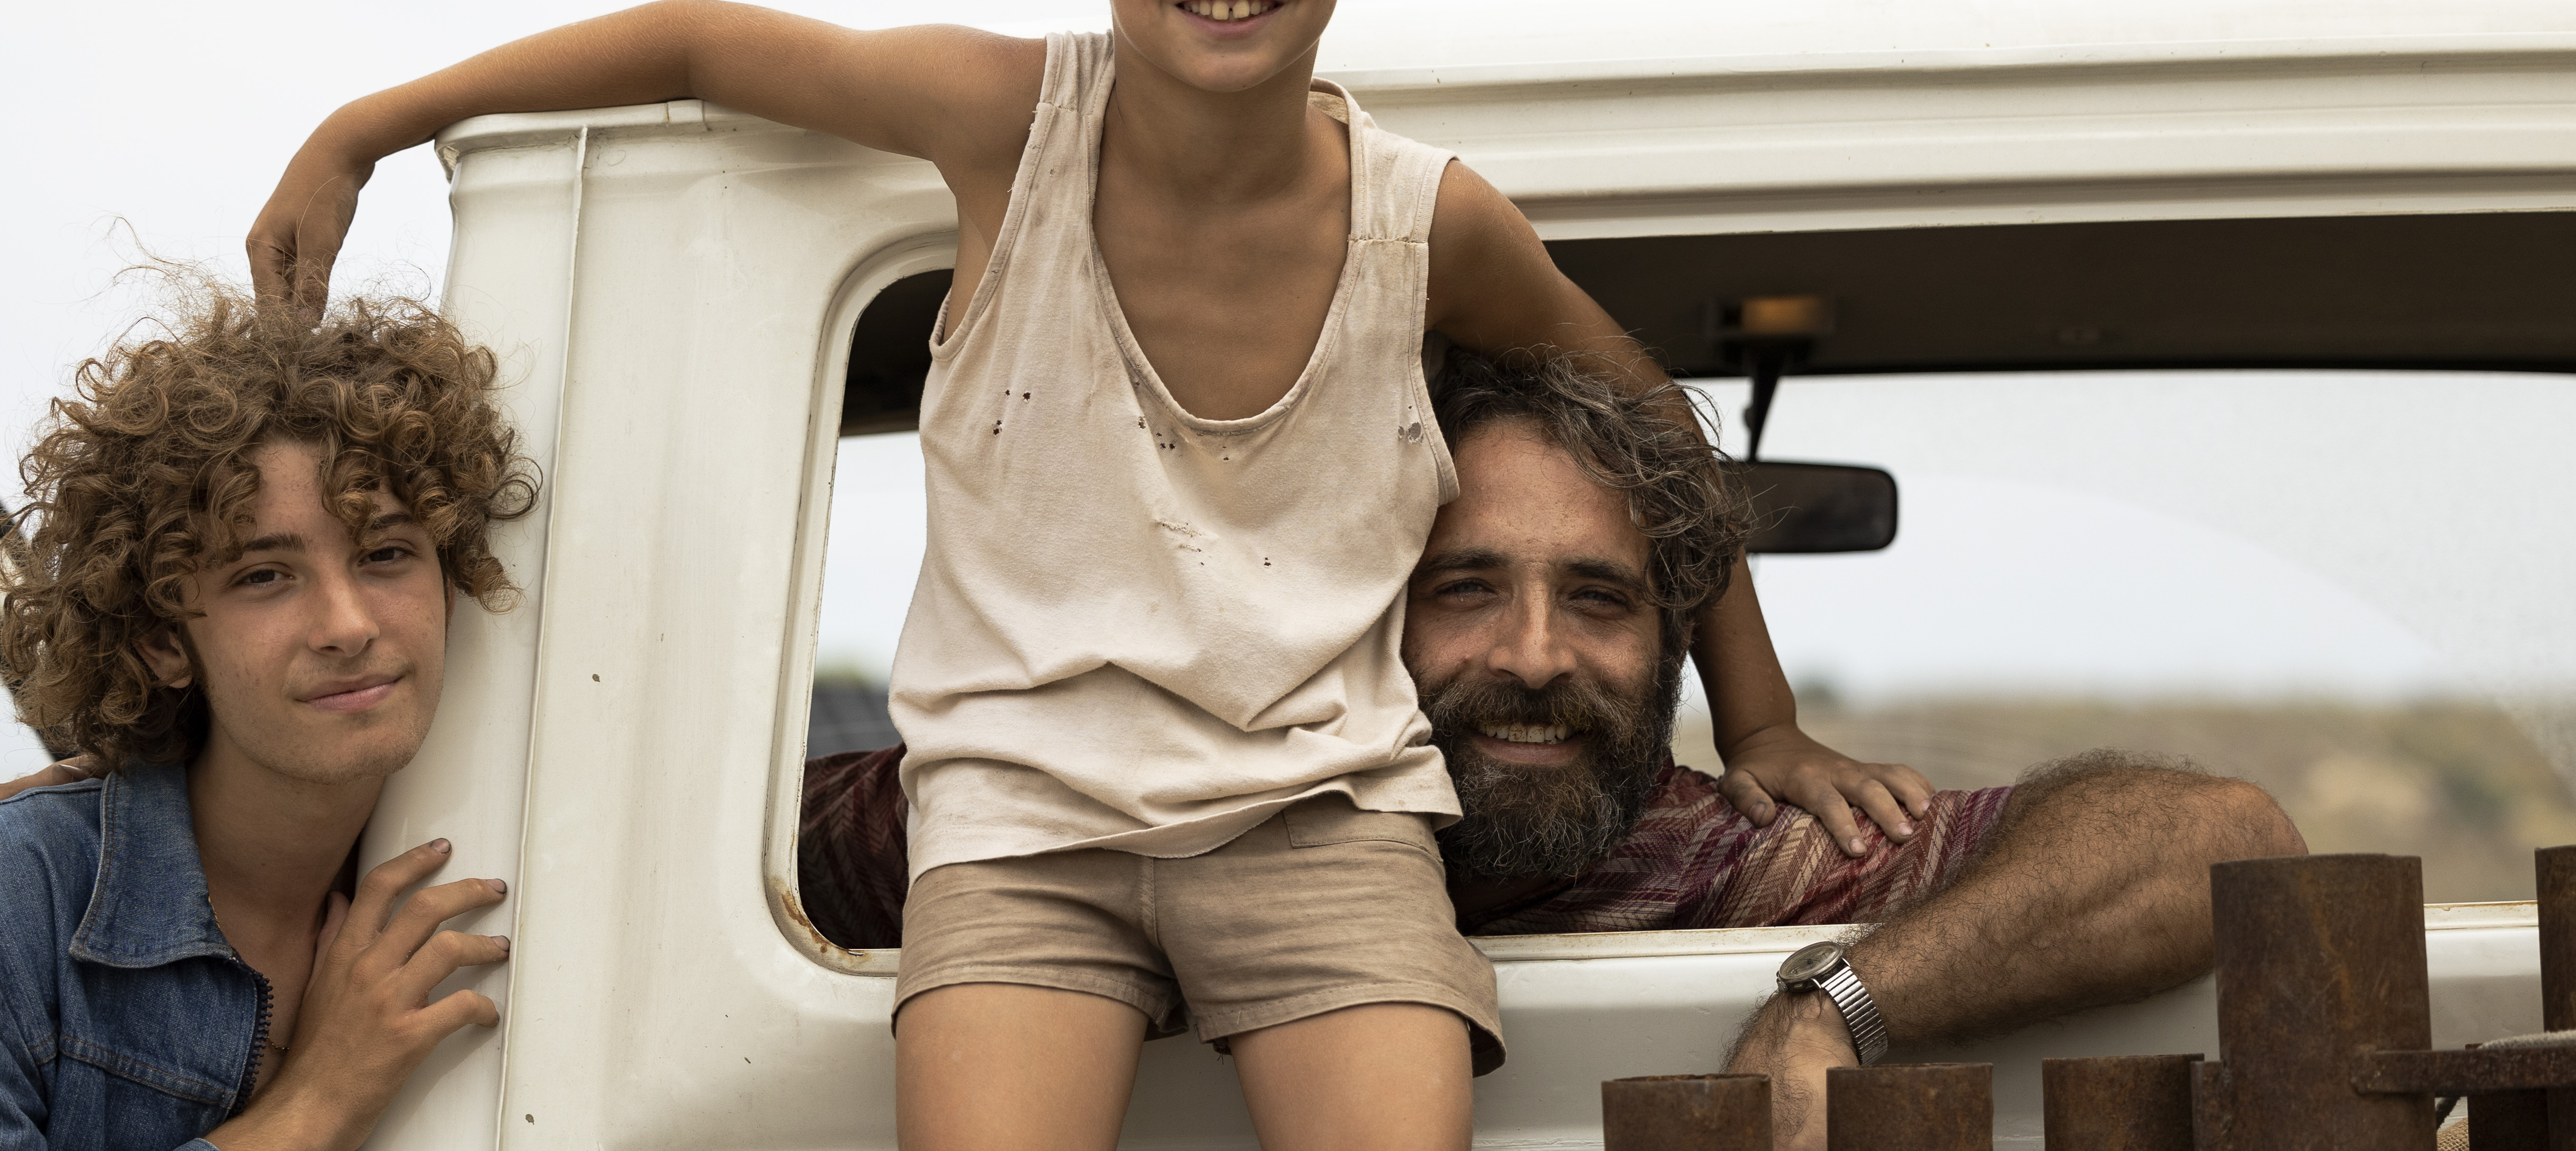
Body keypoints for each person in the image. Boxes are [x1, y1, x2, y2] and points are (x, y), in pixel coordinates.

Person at [246, 0, 1921, 1145]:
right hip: (1023, 821)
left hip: (1319, 813)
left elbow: (1649, 428)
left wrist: (1760, 725)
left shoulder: (1431, 225)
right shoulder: (1003, 123)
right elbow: (697, 41)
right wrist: (370, 125)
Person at [802, 350, 2310, 1151]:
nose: (1534, 657)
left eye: (1599, 598)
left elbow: (2224, 843)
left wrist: (1841, 1006)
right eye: (1464, 590)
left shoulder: (1714, 850)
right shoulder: (1118, 800)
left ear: (1669, 643)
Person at [0, 287, 540, 1151]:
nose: (349, 625)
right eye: (265, 576)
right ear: (162, 639)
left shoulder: (527, 858)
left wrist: (356, 143)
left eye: (386, 555)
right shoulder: (6, 898)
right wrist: (315, 1104)